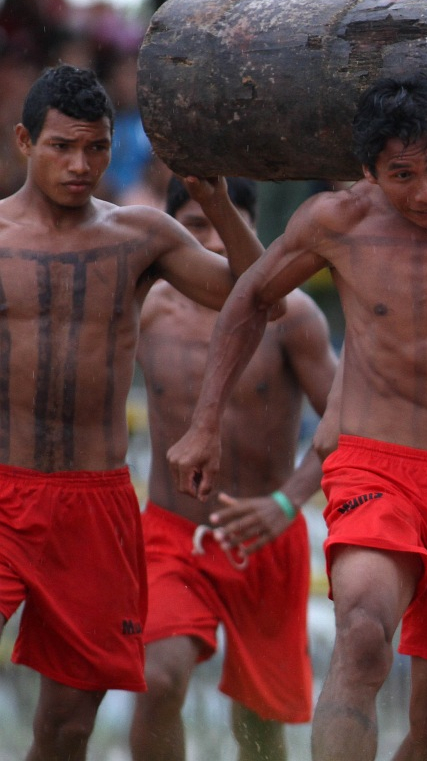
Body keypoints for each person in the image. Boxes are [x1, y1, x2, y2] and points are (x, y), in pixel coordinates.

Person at [167, 75, 427, 761]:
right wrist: (204, 422)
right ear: (369, 172)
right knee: (364, 631)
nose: (426, 190)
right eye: (402, 174)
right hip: (377, 464)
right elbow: (250, 299)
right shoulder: (336, 221)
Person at [0, 64, 264, 760]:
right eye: (61, 147)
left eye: (96, 149)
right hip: (3, 489)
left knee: (66, 726)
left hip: (95, 504)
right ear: (25, 141)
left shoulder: (138, 235)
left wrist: (217, 202)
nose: (80, 165)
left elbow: (250, 291)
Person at [129, 177, 338, 761]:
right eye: (196, 227)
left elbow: (349, 422)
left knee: (261, 723)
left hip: (265, 537)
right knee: (158, 678)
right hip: (172, 535)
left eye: (229, 226)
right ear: (172, 236)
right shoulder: (146, 312)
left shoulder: (293, 318)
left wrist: (288, 502)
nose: (216, 244)